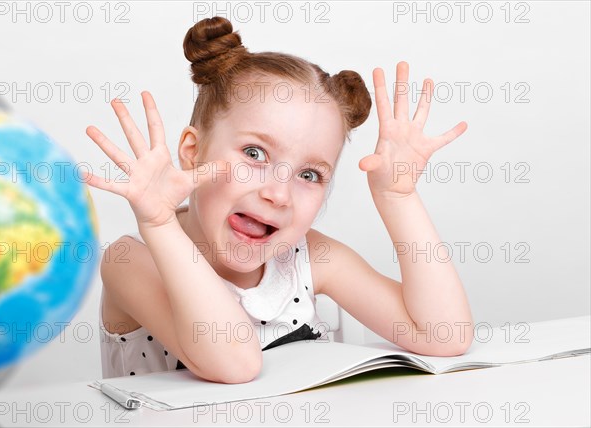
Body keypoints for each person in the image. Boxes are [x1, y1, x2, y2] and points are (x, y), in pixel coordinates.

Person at [85, 17, 474, 384]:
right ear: (193, 150)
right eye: (254, 154)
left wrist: (397, 197)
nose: (278, 193)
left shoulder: (310, 257)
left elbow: (445, 335)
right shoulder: (131, 260)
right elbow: (234, 363)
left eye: (309, 175)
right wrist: (159, 225)